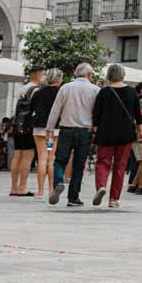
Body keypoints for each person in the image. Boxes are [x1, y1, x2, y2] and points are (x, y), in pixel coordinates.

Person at [47, 65, 100, 207]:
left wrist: (49, 129)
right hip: (85, 132)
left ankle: (58, 182)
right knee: (78, 164)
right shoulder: (96, 90)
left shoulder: (65, 88)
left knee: (60, 160)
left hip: (66, 129)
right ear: (89, 75)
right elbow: (97, 113)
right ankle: (73, 197)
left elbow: (55, 109)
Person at [89, 64, 141, 208]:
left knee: (102, 162)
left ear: (109, 76)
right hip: (126, 134)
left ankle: (101, 186)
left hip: (106, 133)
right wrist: (141, 131)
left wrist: (95, 130)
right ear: (123, 75)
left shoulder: (104, 92)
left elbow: (96, 114)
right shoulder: (132, 92)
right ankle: (113, 199)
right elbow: (138, 114)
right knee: (120, 166)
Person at [8, 69, 45, 196]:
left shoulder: (23, 88)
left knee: (17, 156)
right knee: (27, 157)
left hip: (18, 125)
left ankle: (13, 187)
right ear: (38, 75)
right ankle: (22, 187)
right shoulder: (36, 90)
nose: (44, 76)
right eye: (43, 74)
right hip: (29, 126)